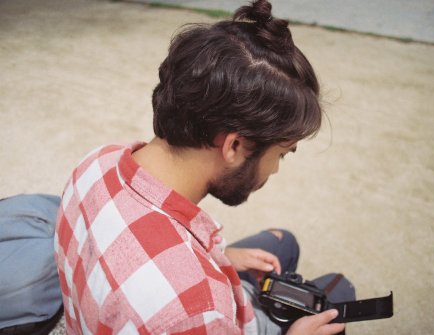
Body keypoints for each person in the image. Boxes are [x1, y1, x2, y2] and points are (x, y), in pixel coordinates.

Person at [54, 0, 354, 334]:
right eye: (282, 154)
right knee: (339, 295)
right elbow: (186, 308)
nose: (275, 171)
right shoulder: (197, 314)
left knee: (284, 243)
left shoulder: (97, 161)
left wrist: (220, 256)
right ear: (234, 146)